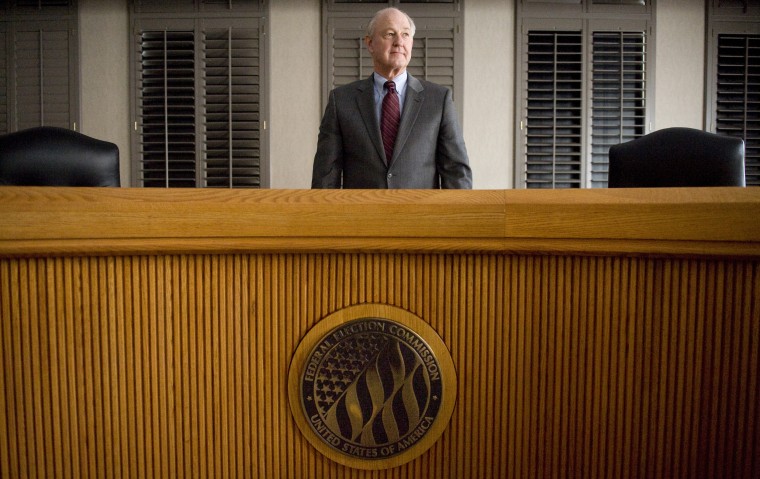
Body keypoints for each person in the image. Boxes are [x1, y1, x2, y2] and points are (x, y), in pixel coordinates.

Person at [311, 7, 472, 189]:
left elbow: (456, 173)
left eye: (405, 34)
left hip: (420, 216)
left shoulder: (439, 100)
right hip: (362, 215)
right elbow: (325, 176)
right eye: (390, 34)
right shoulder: (341, 101)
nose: (399, 42)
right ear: (370, 43)